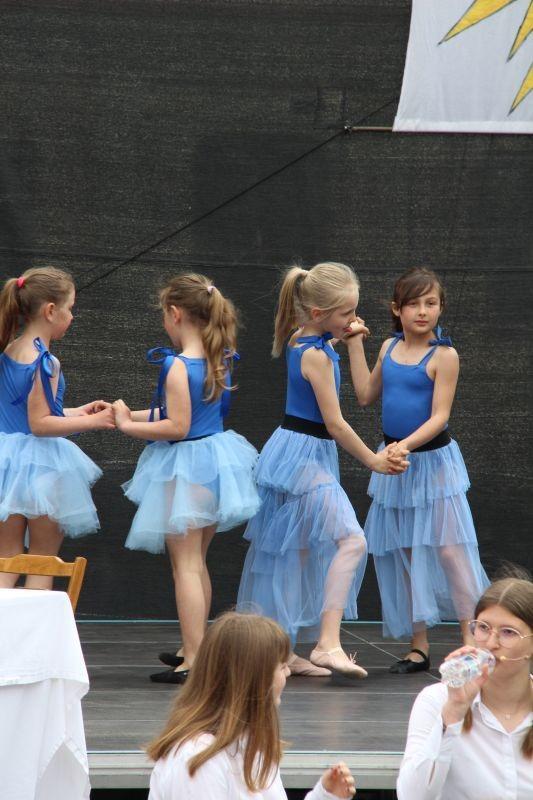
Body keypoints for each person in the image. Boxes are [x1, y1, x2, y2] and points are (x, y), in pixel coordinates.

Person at [237, 263, 409, 678]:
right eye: (345, 313)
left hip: (295, 450)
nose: (353, 318)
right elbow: (335, 423)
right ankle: (327, 643)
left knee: (294, 552)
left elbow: (324, 345)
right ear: (317, 312)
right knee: (351, 540)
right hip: (305, 454)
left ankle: (278, 652)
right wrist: (373, 460)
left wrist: (344, 337)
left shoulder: (302, 338)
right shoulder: (314, 356)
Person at [114, 273, 261, 684]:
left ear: (175, 314)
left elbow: (176, 426)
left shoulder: (177, 365)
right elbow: (184, 414)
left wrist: (127, 426)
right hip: (214, 464)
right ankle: (193, 646)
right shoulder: (219, 358)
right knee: (197, 563)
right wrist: (123, 414)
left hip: (187, 467)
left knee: (186, 566)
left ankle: (195, 658)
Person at [345, 267, 489, 673]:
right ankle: (418, 646)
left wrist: (402, 446)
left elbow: (440, 417)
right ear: (397, 309)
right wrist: (354, 344)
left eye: (431, 303)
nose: (423, 311)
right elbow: (365, 395)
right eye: (414, 304)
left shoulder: (444, 356)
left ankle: (471, 641)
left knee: (450, 550)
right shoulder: (388, 348)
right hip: (396, 465)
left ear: (441, 307)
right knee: (406, 551)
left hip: (432, 462)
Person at [147, 611, 356, 799]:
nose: (288, 673)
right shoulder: (198, 758)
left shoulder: (252, 745)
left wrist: (325, 796)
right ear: (253, 678)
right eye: (282, 666)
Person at [0, 267, 114, 588]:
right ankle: (37, 623)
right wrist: (94, 421)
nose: (72, 317)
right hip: (42, 469)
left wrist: (77, 411)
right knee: (42, 559)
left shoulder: (10, 349)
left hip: (6, 466)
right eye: (70, 308)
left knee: (6, 556)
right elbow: (40, 424)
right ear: (51, 311)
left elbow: (28, 414)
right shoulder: (46, 361)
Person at [396, 575, 533, 799]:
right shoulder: (437, 700)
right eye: (483, 628)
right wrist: (453, 711)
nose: (491, 644)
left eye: (508, 632)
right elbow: (412, 795)